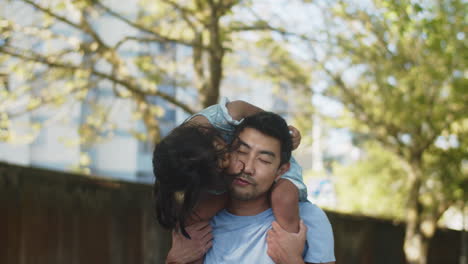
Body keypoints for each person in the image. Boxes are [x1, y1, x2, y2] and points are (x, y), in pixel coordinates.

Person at [166, 112, 335, 264]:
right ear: (226, 152)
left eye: (264, 160)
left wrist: (292, 261)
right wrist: (173, 261)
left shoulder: (308, 218)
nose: (247, 167)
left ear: (281, 171)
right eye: (241, 151)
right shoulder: (201, 220)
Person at [153, 98, 307, 240]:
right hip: (228, 183)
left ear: (209, 136)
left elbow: (268, 124)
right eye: (220, 166)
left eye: (223, 154)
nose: (228, 163)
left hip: (271, 163)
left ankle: (291, 241)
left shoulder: (230, 113)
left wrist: (287, 135)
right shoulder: (182, 163)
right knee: (194, 218)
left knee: (284, 198)